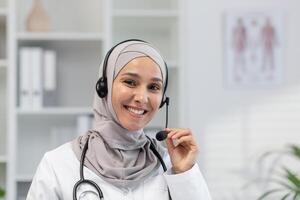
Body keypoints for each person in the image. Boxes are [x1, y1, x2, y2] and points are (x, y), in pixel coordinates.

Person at [26, 40, 212, 200]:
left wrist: (185, 173)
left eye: (154, 87)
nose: (142, 97)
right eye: (130, 82)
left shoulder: (171, 163)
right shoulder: (58, 164)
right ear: (104, 87)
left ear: (163, 99)